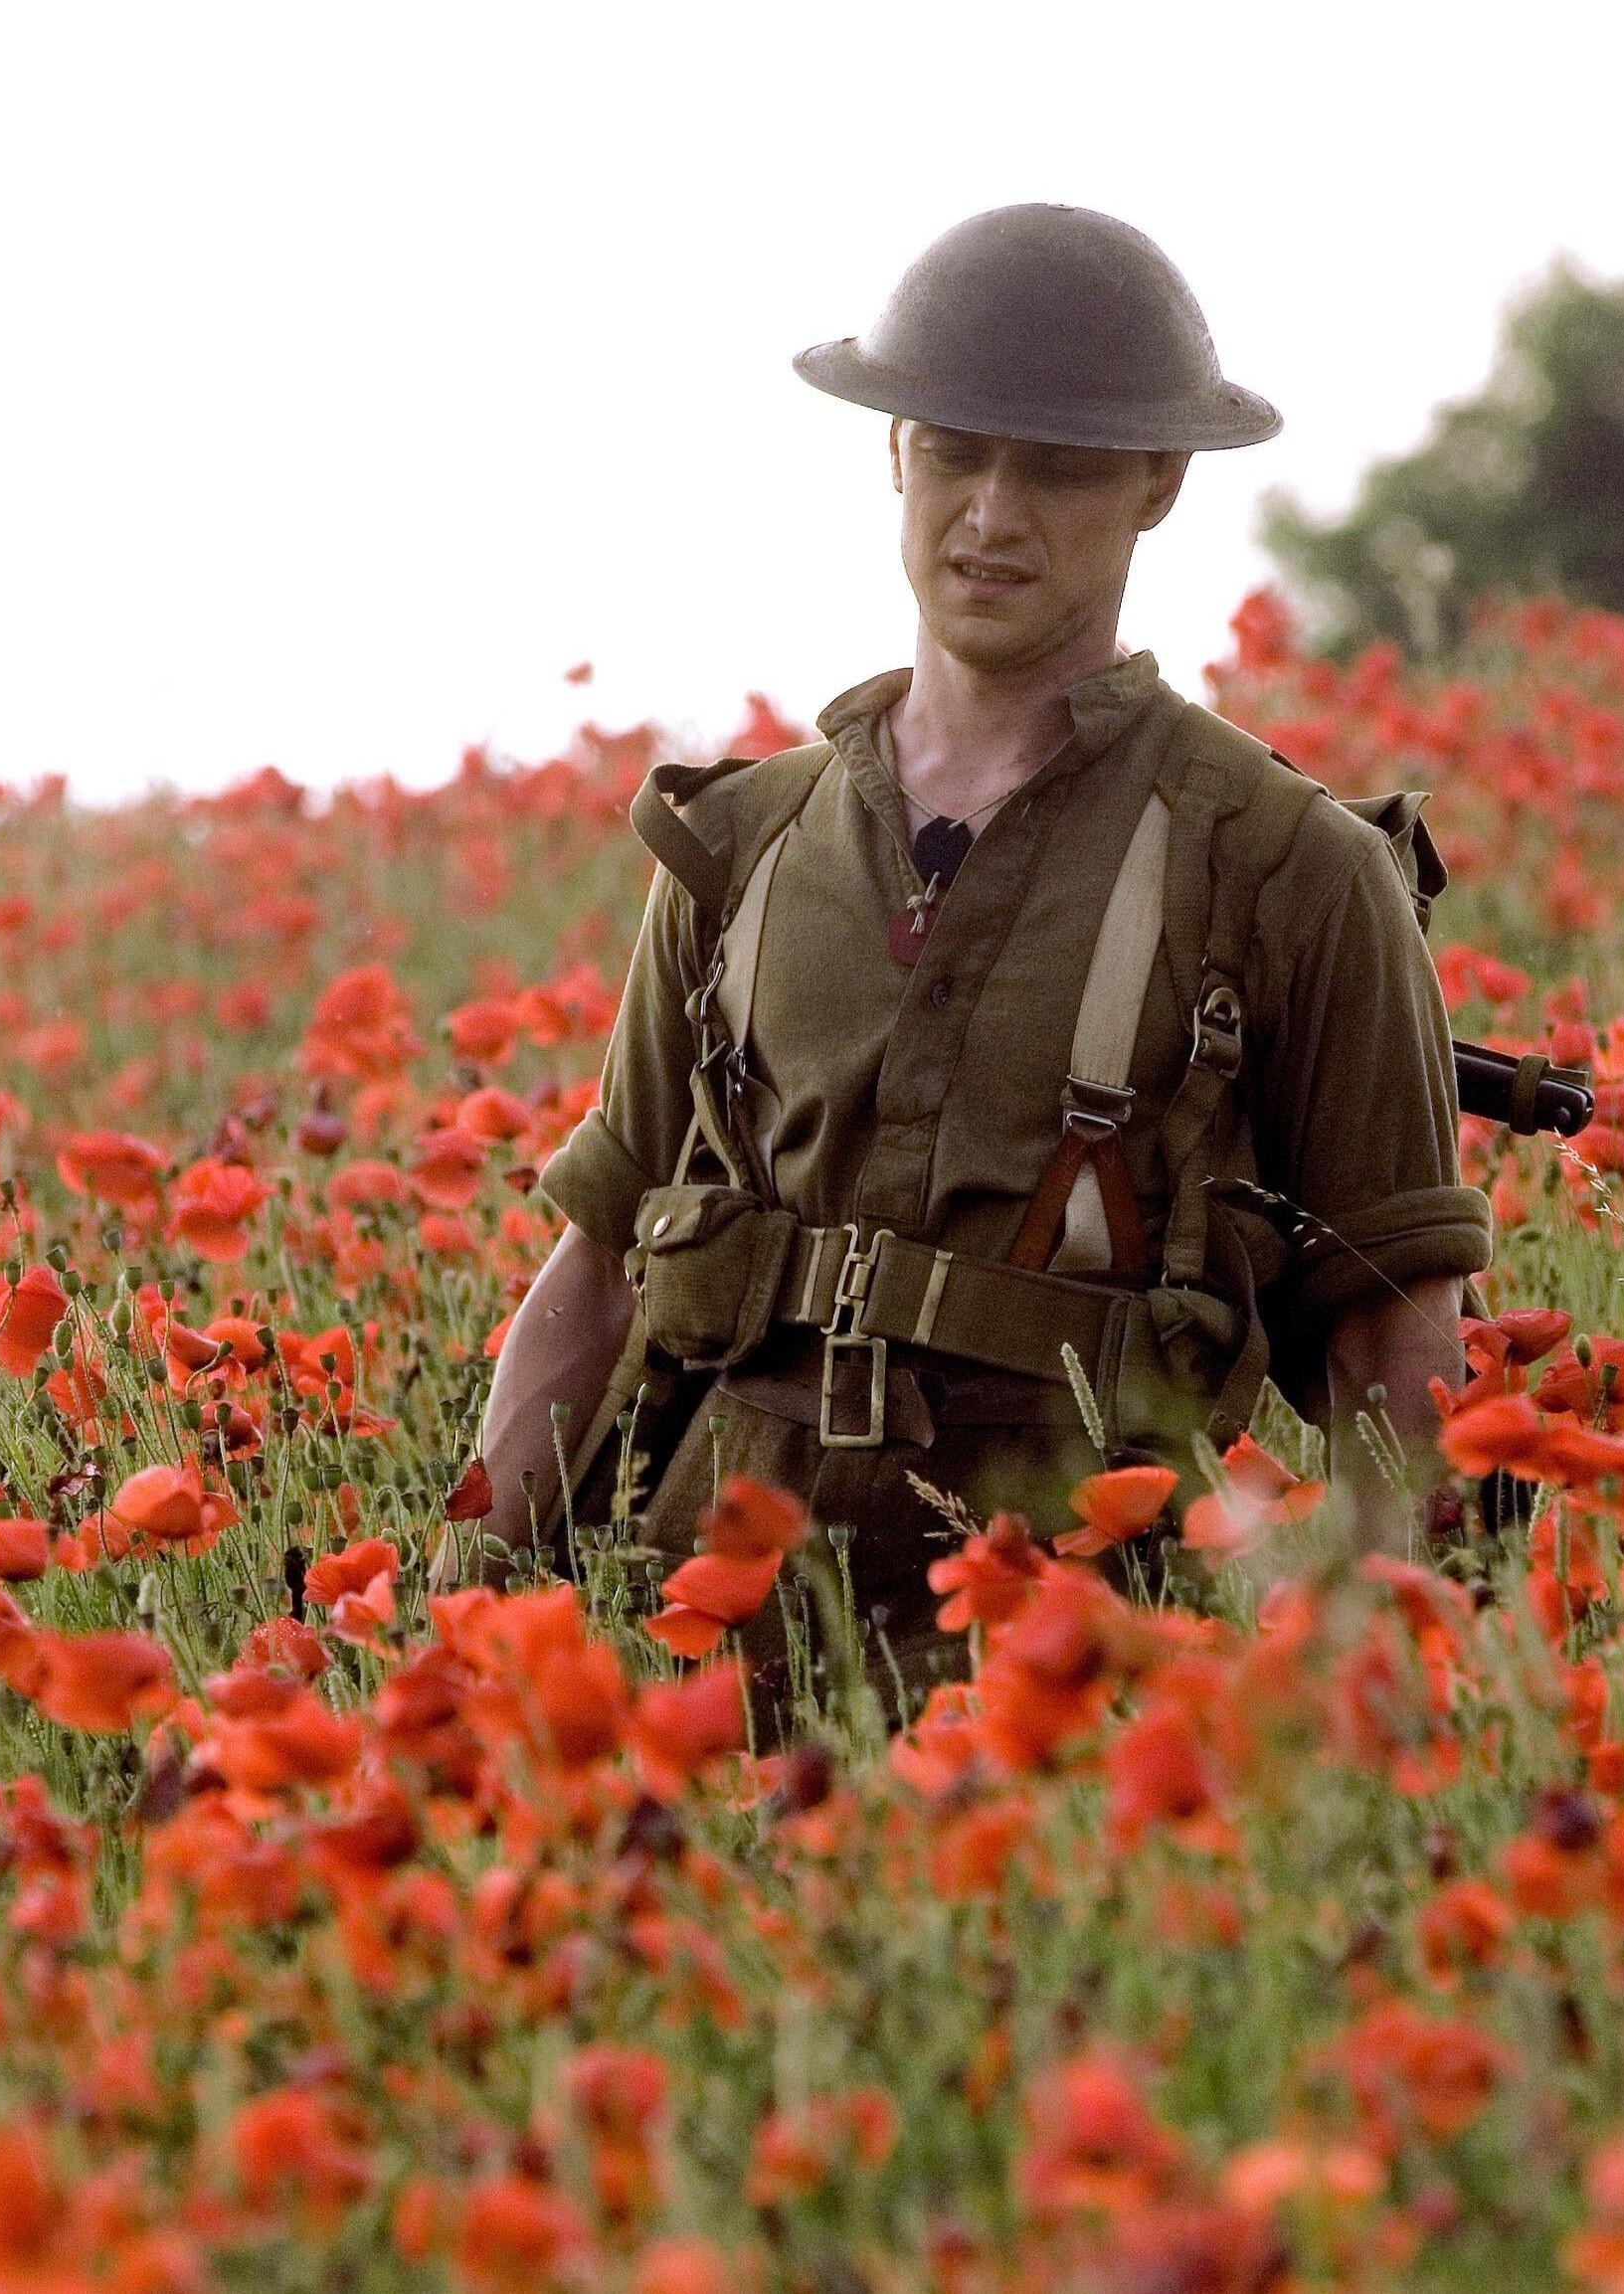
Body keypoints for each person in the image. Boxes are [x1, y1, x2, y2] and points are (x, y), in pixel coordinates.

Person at [476, 204, 1489, 1707]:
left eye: (1060, 465)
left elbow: (1394, 1346)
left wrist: (1396, 1702)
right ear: (894, 452)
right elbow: (599, 1270)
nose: (993, 514)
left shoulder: (1289, 871)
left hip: (1078, 1681)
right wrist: (458, 1614)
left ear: (1160, 481)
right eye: (955, 450)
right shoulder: (743, 848)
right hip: (701, 1637)